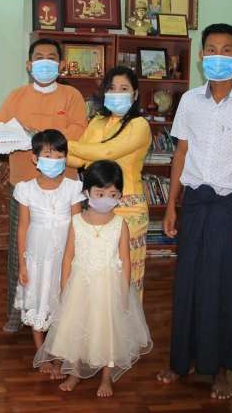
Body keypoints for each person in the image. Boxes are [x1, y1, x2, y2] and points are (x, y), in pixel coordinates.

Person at [157, 23, 232, 400]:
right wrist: (172, 205)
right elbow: (180, 154)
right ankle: (181, 361)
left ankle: (219, 367)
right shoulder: (190, 101)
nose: (218, 56)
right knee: (188, 283)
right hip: (194, 203)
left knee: (224, 286)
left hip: (229, 207)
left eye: (226, 50)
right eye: (211, 49)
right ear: (201, 56)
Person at [34, 160, 152, 398]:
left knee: (107, 331)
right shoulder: (77, 222)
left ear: (120, 195)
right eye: (100, 193)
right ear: (87, 192)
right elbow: (68, 257)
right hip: (80, 286)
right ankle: (75, 372)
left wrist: (123, 291)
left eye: (113, 194)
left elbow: (125, 259)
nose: (106, 199)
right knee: (77, 328)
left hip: (109, 287)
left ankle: (106, 377)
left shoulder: (120, 224)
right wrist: (64, 287)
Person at [0, 38, 87, 333]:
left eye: (51, 57)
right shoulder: (16, 96)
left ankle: (63, 315)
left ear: (61, 64)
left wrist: (38, 136)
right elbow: (0, 131)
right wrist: (24, 135)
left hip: (65, 186)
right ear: (28, 64)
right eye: (38, 56)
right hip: (25, 187)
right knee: (22, 250)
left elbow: (79, 131)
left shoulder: (72, 96)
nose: (44, 61)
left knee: (66, 250)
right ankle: (17, 314)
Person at [66, 66, 152, 295]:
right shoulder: (97, 122)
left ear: (135, 94)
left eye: (124, 89)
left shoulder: (139, 125)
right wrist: (50, 152)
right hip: (96, 204)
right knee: (96, 271)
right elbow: (80, 160)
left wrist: (65, 144)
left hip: (128, 206)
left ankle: (125, 318)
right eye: (112, 88)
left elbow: (106, 153)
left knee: (125, 273)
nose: (117, 93)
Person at [14, 129, 84, 377]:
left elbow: (78, 226)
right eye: (47, 154)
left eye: (58, 155)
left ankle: (60, 353)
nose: (53, 160)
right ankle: (42, 353)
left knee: (63, 300)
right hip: (37, 258)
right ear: (35, 158)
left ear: (65, 158)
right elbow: (23, 228)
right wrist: (23, 264)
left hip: (66, 257)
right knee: (39, 298)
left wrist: (76, 259)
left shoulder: (74, 188)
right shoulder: (26, 189)